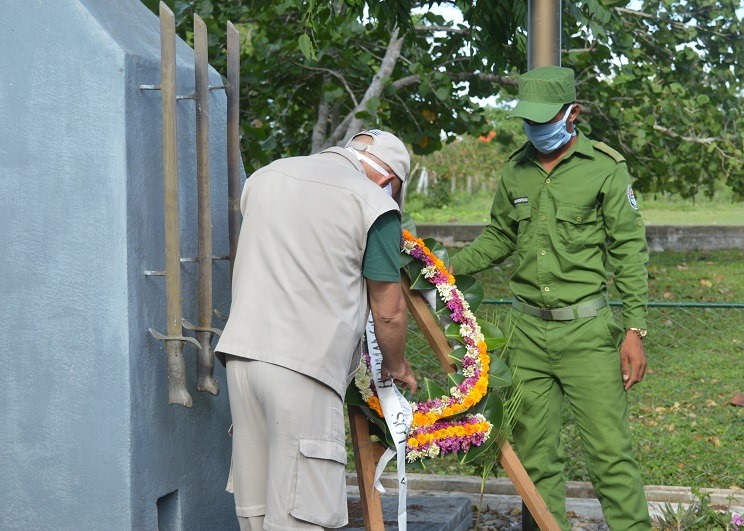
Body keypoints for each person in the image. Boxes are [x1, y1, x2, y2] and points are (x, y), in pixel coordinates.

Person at [449, 66, 651, 530]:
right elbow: (499, 237)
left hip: (587, 332)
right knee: (536, 460)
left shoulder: (604, 168)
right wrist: (442, 268)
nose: (537, 130)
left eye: (546, 120)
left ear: (572, 113)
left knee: (610, 457)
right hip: (526, 336)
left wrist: (635, 329)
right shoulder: (514, 171)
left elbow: (629, 252)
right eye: (530, 121)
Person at [215, 129, 418, 531]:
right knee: (299, 518)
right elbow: (389, 312)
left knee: (255, 516)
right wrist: (397, 365)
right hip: (302, 370)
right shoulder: (372, 202)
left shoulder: (265, 177)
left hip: (241, 361)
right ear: (387, 181)